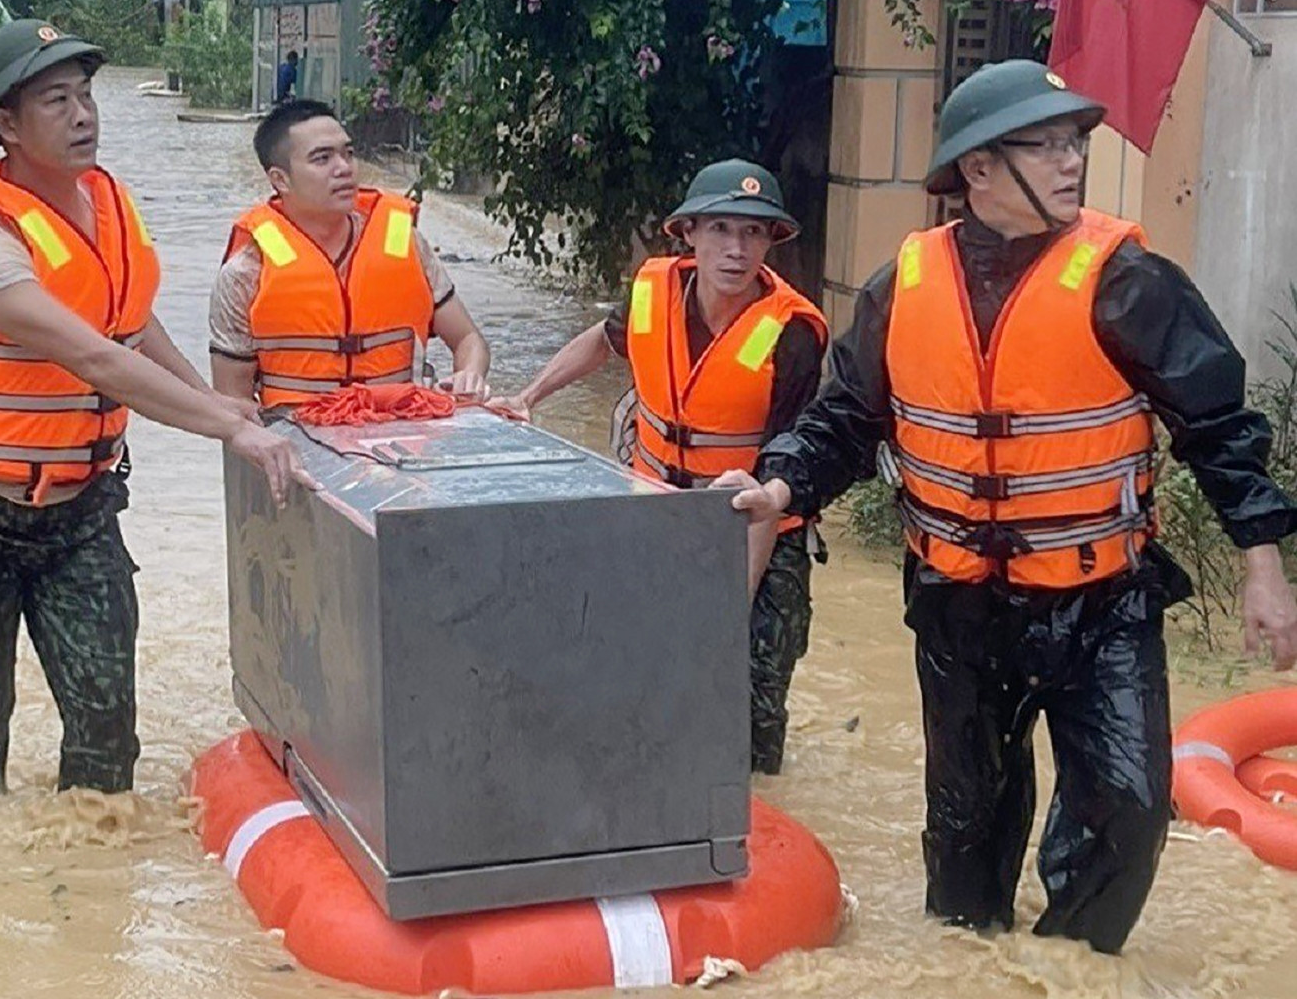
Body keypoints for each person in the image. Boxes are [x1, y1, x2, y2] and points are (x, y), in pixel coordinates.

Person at [717, 61, 1297, 952]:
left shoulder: (1128, 281)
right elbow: (842, 420)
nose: (1072, 161)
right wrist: (779, 483)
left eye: (1077, 142)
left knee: (1129, 817)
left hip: (1100, 603)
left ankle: (1069, 965)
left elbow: (1216, 422)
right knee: (962, 849)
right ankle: (975, 963)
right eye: (1047, 144)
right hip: (959, 609)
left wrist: (1263, 564)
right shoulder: (901, 287)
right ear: (979, 170)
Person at [0, 19, 313, 796]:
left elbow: (128, 322)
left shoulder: (111, 201)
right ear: (5, 125)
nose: (84, 114)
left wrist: (217, 405)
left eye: (86, 94)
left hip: (80, 511)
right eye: (56, 100)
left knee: (105, 738)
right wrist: (226, 423)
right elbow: (94, 357)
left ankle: (88, 891)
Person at [503, 160, 828, 775]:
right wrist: (528, 396)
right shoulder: (652, 292)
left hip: (756, 529)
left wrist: (731, 604)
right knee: (638, 677)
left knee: (750, 707)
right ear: (690, 233)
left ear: (771, 243)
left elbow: (775, 478)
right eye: (722, 229)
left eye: (754, 234)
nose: (736, 250)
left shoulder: (793, 334)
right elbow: (604, 340)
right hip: (655, 508)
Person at [209, 99, 490, 408]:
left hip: (405, 428)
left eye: (348, 154)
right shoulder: (246, 271)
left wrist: (470, 375)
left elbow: (468, 339)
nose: (343, 168)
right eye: (322, 158)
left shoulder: (405, 241)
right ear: (280, 179)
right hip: (297, 435)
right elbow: (232, 402)